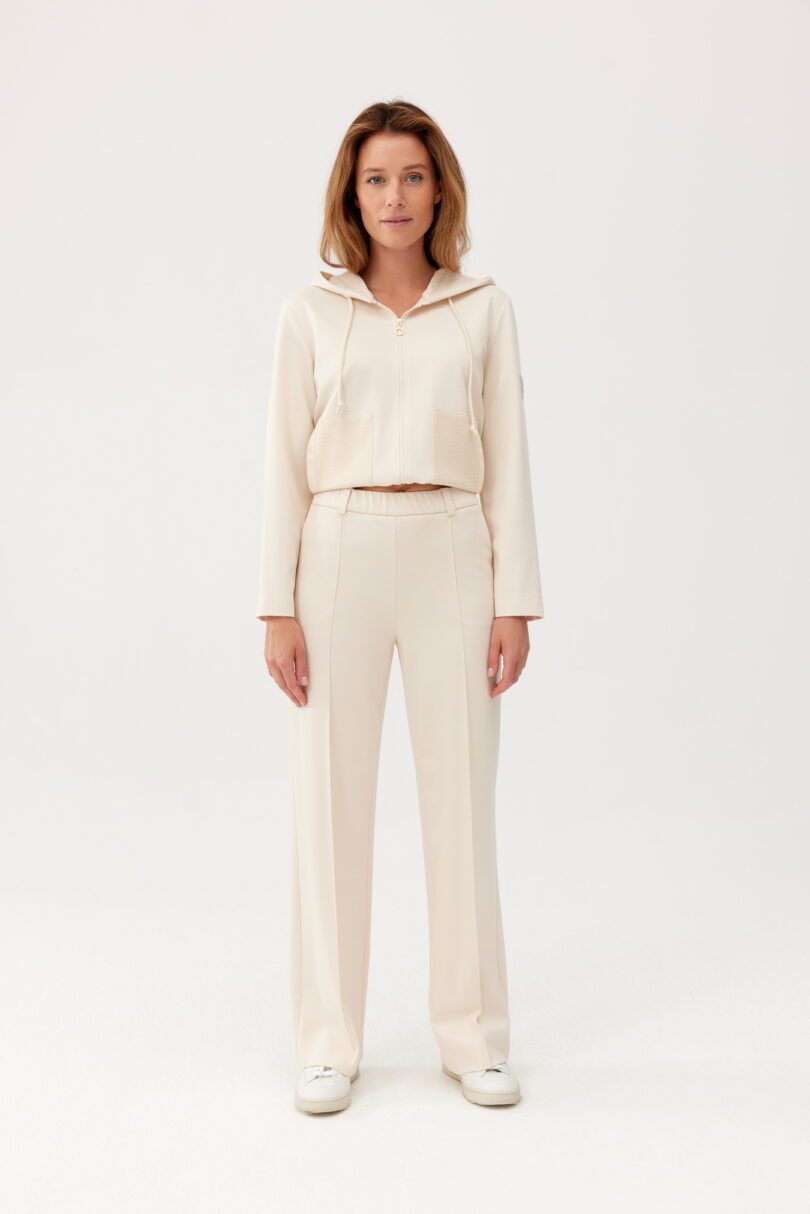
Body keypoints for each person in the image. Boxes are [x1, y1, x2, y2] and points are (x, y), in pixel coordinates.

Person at [256, 100, 545, 1115]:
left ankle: (474, 1037)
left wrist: (515, 601)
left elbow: (509, 454)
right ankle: (327, 1042)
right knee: (329, 800)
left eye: (413, 177)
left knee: (462, 796)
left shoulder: (483, 309)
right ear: (351, 193)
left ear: (439, 190)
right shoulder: (309, 313)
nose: (395, 197)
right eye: (376, 178)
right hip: (337, 548)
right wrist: (275, 606)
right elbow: (282, 462)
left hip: (453, 545)